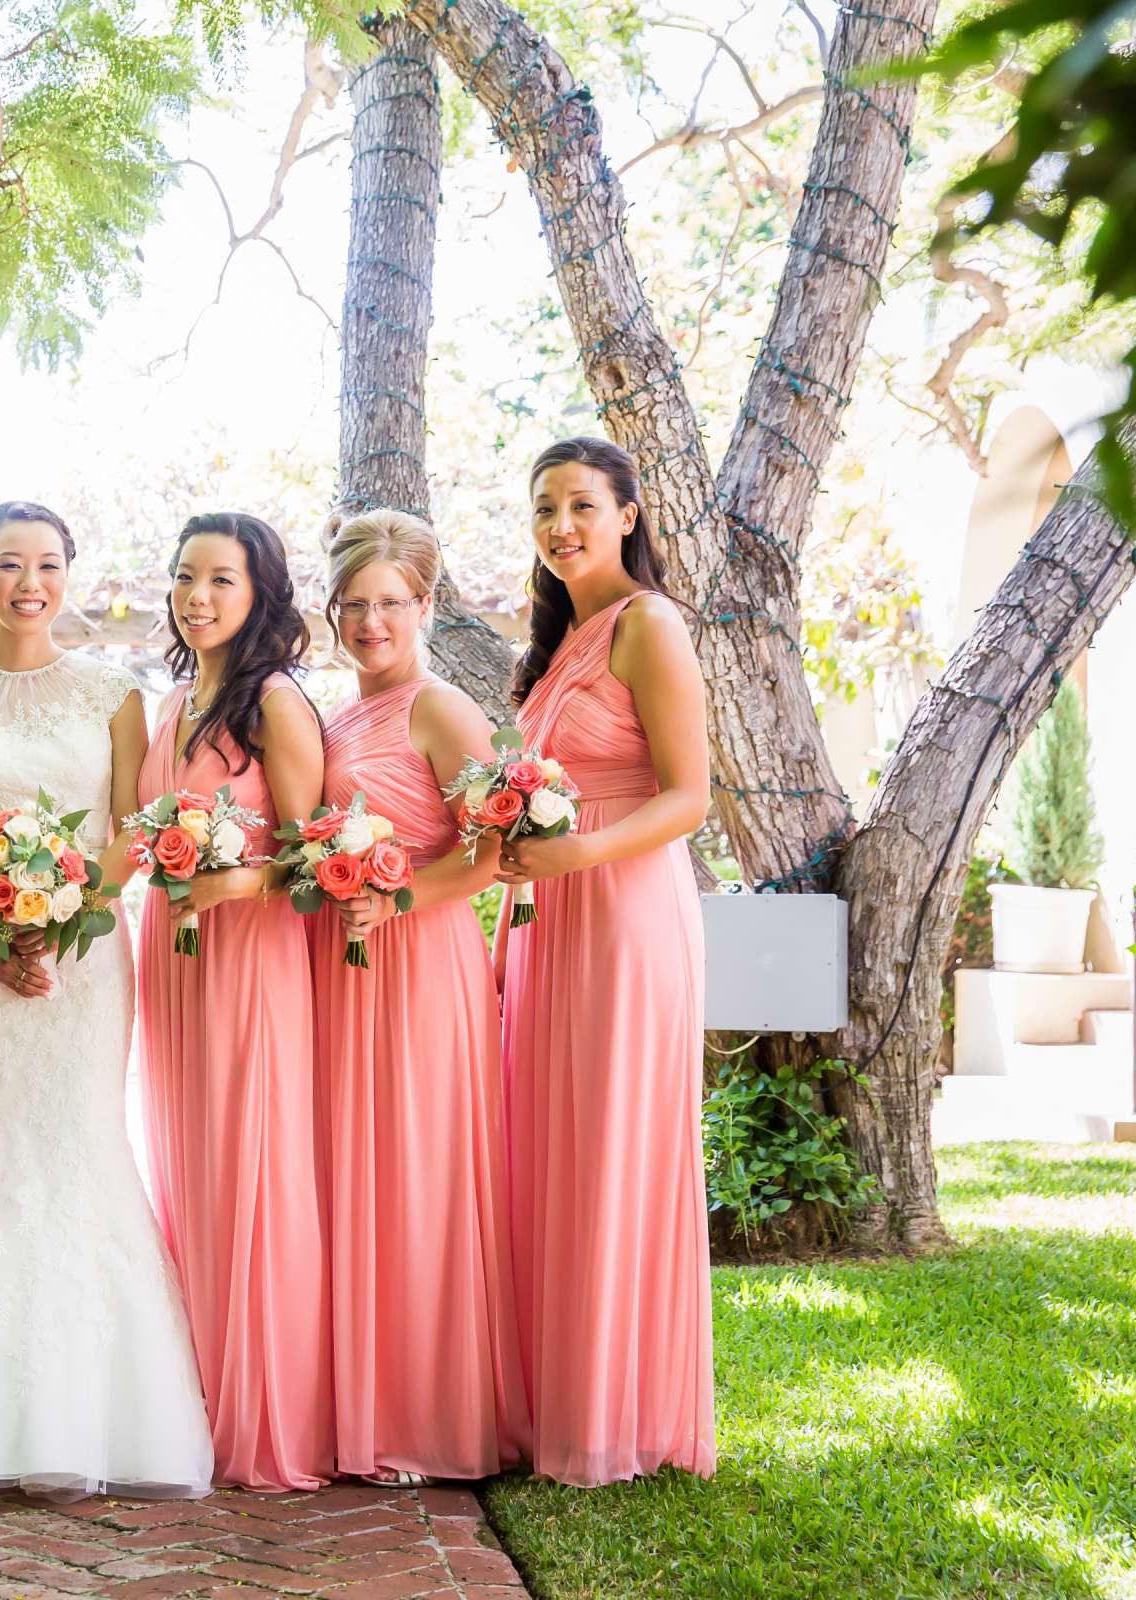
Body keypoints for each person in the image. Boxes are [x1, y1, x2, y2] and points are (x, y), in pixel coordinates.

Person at [0, 500, 213, 1499]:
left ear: (70, 574)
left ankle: (94, 1409)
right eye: (9, 563)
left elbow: (129, 823)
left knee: (76, 1143)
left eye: (48, 563)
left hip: (88, 957)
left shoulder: (116, 693)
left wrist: (64, 912)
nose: (30, 581)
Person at [497, 436, 715, 1486]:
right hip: (550, 921)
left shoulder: (648, 625)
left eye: (582, 504)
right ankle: (553, 1402)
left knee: (611, 1144)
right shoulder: (558, 640)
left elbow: (689, 795)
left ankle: (612, 1415)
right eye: (545, 508)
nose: (560, 525)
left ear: (628, 514)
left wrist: (578, 848)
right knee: (551, 1146)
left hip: (624, 911)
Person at [309, 508, 525, 1483]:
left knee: (420, 1171)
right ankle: (360, 1398)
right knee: (354, 1169)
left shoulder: (441, 710)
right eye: (353, 604)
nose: (370, 621)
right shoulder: (335, 713)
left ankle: (429, 1414)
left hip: (421, 962)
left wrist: (396, 899)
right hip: (342, 962)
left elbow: (495, 853)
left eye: (389, 603)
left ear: (425, 605)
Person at [133, 511, 333, 1492]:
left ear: (261, 593)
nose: (198, 595)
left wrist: (235, 881)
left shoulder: (276, 703)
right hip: (170, 961)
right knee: (189, 1166)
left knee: (250, 1165)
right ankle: (195, 1397)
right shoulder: (172, 701)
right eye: (184, 576)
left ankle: (266, 1413)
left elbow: (312, 852)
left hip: (251, 957)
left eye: (221, 578)